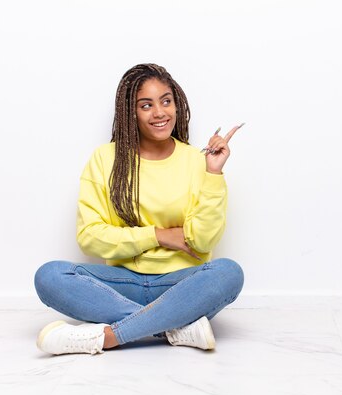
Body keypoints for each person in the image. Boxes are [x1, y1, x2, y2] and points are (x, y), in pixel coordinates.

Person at [33, 63, 245, 355]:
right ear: (130, 112)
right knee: (49, 276)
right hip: (121, 284)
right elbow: (90, 237)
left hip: (180, 285)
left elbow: (203, 240)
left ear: (177, 105)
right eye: (146, 105)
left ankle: (109, 337)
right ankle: (173, 326)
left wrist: (213, 174)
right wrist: (159, 236)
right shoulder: (105, 159)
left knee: (228, 273)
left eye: (166, 101)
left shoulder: (197, 161)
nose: (160, 113)